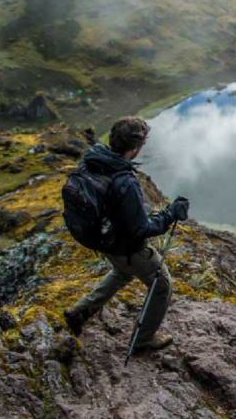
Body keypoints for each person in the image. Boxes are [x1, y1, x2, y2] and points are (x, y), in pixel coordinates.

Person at [63, 116, 189, 353]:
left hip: (103, 241)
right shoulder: (125, 180)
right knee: (161, 286)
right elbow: (141, 229)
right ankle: (142, 340)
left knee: (121, 273)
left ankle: (79, 312)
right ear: (135, 148)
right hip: (127, 247)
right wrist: (171, 214)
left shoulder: (94, 161)